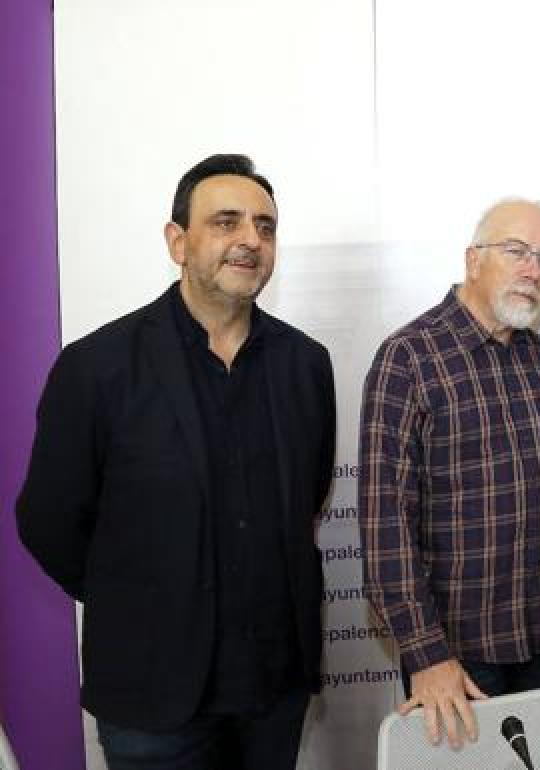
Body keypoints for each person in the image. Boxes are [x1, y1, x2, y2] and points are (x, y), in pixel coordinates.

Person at [17, 154, 337, 769]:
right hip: (152, 696)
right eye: (226, 221)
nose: (250, 239)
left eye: (265, 227)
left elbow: (308, 496)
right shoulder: (97, 367)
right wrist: (137, 593)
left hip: (274, 691)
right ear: (177, 240)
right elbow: (49, 522)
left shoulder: (305, 364)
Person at [359, 198, 540, 750]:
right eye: (517, 251)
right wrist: (426, 653)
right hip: (456, 658)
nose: (533, 269)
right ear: (472, 259)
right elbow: (385, 523)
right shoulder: (408, 358)